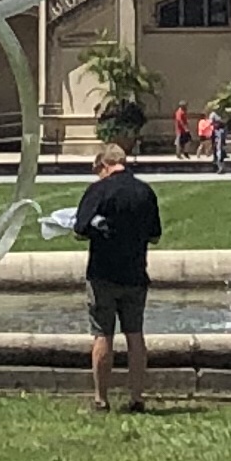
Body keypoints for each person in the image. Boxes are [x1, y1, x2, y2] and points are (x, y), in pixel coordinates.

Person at [60, 140, 165, 414]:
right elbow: (155, 235)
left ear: (105, 165)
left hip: (103, 273)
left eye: (98, 169)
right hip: (135, 272)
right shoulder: (145, 192)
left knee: (102, 335)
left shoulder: (98, 191)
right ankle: (137, 397)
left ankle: (101, 399)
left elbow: (80, 229)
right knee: (135, 335)